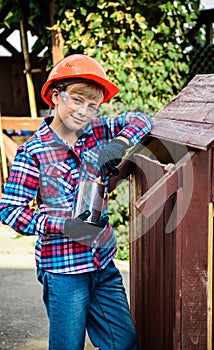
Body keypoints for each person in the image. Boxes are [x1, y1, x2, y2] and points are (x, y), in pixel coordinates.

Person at [0, 54, 153, 350]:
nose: (84, 111)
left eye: (93, 105)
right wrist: (66, 225)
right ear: (56, 96)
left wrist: (119, 143)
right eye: (77, 100)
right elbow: (9, 210)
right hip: (64, 270)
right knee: (68, 346)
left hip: (102, 263)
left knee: (124, 342)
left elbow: (141, 119)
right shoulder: (34, 153)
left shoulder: (95, 132)